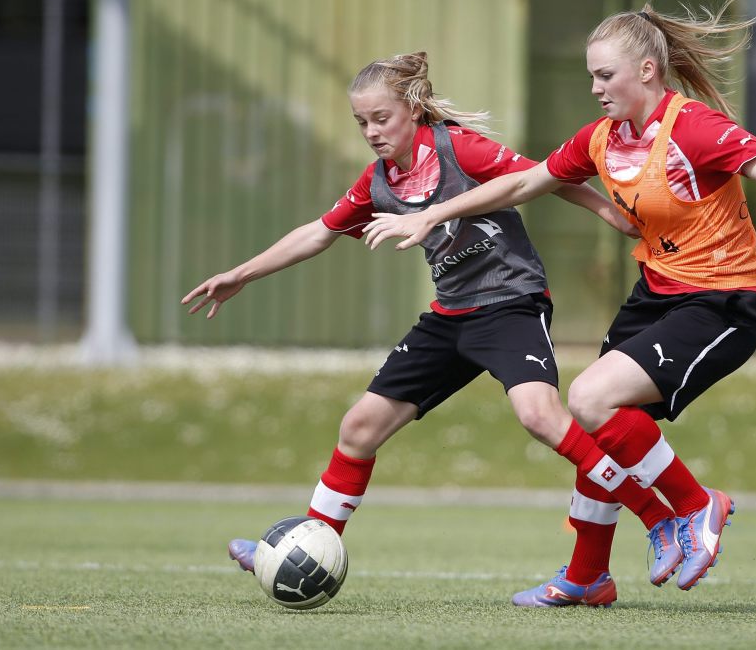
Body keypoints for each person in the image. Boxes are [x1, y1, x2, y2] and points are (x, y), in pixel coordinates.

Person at [362, 0, 756, 607]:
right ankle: (588, 575)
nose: (594, 88)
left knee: (588, 398)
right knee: (595, 417)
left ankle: (695, 506)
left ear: (645, 71)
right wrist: (433, 213)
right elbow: (526, 182)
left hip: (721, 300)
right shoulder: (602, 139)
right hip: (656, 294)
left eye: (604, 76)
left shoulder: (695, 128)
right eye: (590, 76)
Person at [182, 52, 690, 608]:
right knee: (358, 428)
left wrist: (607, 211)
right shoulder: (378, 182)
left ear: (413, 109)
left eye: (382, 118)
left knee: (540, 416)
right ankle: (303, 546)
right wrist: (242, 274)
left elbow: (544, 176)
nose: (372, 132)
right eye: (361, 123)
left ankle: (659, 519)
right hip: (449, 318)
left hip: (510, 305)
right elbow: (318, 233)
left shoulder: (459, 148)